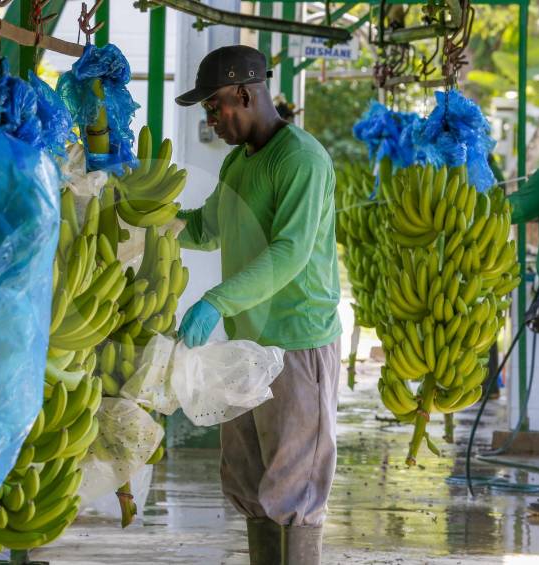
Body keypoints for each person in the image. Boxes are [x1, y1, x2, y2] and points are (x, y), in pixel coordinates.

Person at [173, 45, 342, 565]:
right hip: (248, 349)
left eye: (214, 106)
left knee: (295, 488)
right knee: (249, 482)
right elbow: (206, 228)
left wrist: (216, 301)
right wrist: (144, 219)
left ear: (244, 94)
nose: (211, 120)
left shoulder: (301, 160)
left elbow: (290, 252)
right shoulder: (236, 166)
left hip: (297, 344)